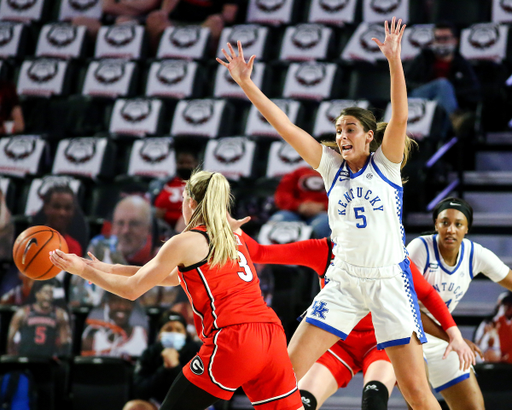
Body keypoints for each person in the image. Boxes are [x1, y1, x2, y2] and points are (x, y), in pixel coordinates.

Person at [218, 18, 442, 409]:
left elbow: (401, 117)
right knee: (282, 376)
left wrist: (394, 60)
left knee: (416, 391)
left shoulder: (385, 165)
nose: (342, 136)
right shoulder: (330, 167)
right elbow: (284, 126)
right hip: (342, 282)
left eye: (351, 129)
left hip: (389, 281)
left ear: (369, 136)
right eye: (338, 130)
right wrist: (246, 84)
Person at [50, 170, 304, 410]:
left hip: (235, 337)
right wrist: (108, 268)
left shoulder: (186, 240)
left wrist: (83, 271)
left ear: (191, 203)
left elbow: (132, 290)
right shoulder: (233, 235)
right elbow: (172, 277)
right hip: (271, 334)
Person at [237, 228, 475, 410]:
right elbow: (261, 252)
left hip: (380, 341)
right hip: (337, 342)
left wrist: (454, 334)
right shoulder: (326, 249)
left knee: (375, 400)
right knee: (301, 400)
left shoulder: (389, 252)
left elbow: (426, 293)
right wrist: (228, 228)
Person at [407, 196, 512, 410]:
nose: (451, 229)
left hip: (442, 336)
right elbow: (407, 310)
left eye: (458, 224)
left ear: (467, 229)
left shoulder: (475, 254)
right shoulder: (419, 248)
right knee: (421, 402)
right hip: (408, 335)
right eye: (445, 222)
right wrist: (455, 338)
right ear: (436, 225)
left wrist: (452, 338)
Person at [69, 195, 175, 308]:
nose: (125, 230)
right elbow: (80, 296)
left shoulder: (161, 255)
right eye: (120, 223)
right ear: (113, 226)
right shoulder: (99, 247)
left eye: (134, 223)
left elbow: (166, 302)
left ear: (148, 228)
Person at [405, 22, 480, 137]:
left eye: (445, 38)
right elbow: (406, 81)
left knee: (440, 103)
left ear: (455, 41)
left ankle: (437, 143)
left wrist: (449, 93)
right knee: (442, 84)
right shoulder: (423, 58)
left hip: (440, 103)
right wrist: (432, 87)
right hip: (418, 97)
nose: (441, 42)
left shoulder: (462, 63)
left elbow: (473, 88)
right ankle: (455, 118)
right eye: (437, 39)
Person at [122, 310, 201, 410]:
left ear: (185, 334)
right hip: (158, 403)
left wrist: (175, 367)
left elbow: (195, 391)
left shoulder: (196, 352)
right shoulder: (150, 353)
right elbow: (139, 390)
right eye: (168, 329)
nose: (173, 333)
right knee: (134, 407)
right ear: (160, 334)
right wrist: (164, 369)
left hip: (190, 403)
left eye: (178, 330)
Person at [6, 279, 72, 357]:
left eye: (51, 293)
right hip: (26, 359)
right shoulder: (23, 312)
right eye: (46, 292)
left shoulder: (60, 314)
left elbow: (65, 342)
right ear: (37, 294)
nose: (48, 296)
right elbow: (10, 340)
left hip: (48, 360)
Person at [145, 0, 239, 53]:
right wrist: (164, 13)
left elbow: (228, 16)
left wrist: (217, 18)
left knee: (217, 22)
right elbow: (165, 10)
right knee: (155, 18)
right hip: (176, 22)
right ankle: (156, 56)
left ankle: (205, 58)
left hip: (205, 24)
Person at [82, 291, 148, 358]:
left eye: (127, 301)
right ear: (106, 304)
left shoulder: (144, 335)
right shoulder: (92, 340)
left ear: (133, 304)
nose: (122, 306)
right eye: (116, 301)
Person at [269, 166, 330, 239]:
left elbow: (343, 198)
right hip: (294, 212)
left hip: (324, 213)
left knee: (324, 224)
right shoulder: (297, 173)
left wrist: (323, 206)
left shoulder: (340, 175)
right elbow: (282, 195)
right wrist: (298, 205)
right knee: (279, 219)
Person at [154, 150, 199, 232]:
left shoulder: (202, 184)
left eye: (188, 163)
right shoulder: (166, 184)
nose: (185, 166)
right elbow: (159, 212)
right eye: (181, 163)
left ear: (195, 164)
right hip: (166, 228)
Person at [71, 0, 160, 39]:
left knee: (123, 21)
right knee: (79, 21)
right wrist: (132, 5)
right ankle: (103, 45)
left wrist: (121, 4)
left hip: (141, 20)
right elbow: (107, 7)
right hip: (109, 21)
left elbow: (146, 5)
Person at [39, 184, 84, 257]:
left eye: (67, 208)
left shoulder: (74, 248)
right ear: (46, 208)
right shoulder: (32, 240)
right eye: (57, 207)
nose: (62, 213)